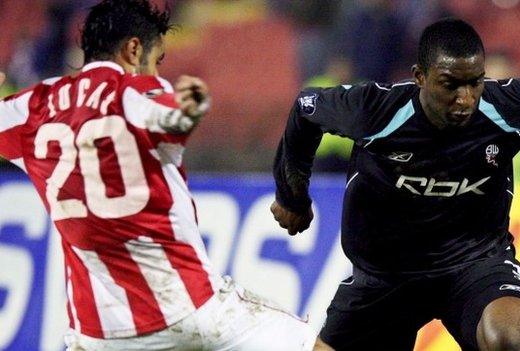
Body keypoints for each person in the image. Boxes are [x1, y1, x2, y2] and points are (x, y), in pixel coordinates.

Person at [0, 1, 315, 350]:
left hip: (96, 333)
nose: (157, 73)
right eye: (157, 61)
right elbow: (167, 114)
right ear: (134, 49)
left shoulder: (33, 107)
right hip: (186, 311)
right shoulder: (136, 91)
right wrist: (190, 107)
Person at [271, 18, 520, 351]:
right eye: (451, 85)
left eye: (476, 82)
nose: (466, 99)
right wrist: (292, 198)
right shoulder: (377, 110)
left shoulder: (512, 106)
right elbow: (305, 110)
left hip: (477, 264)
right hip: (384, 277)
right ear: (420, 76)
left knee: (511, 340)